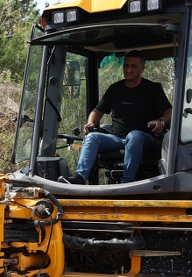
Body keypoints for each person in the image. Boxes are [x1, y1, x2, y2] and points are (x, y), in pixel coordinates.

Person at [61, 51, 172, 184]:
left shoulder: (152, 89)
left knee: (134, 136)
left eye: (133, 66)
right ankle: (80, 177)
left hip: (144, 138)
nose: (128, 69)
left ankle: (127, 181)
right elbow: (97, 110)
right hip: (117, 138)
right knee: (92, 137)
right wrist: (90, 123)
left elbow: (169, 112)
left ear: (142, 68)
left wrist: (160, 121)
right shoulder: (115, 89)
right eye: (126, 66)